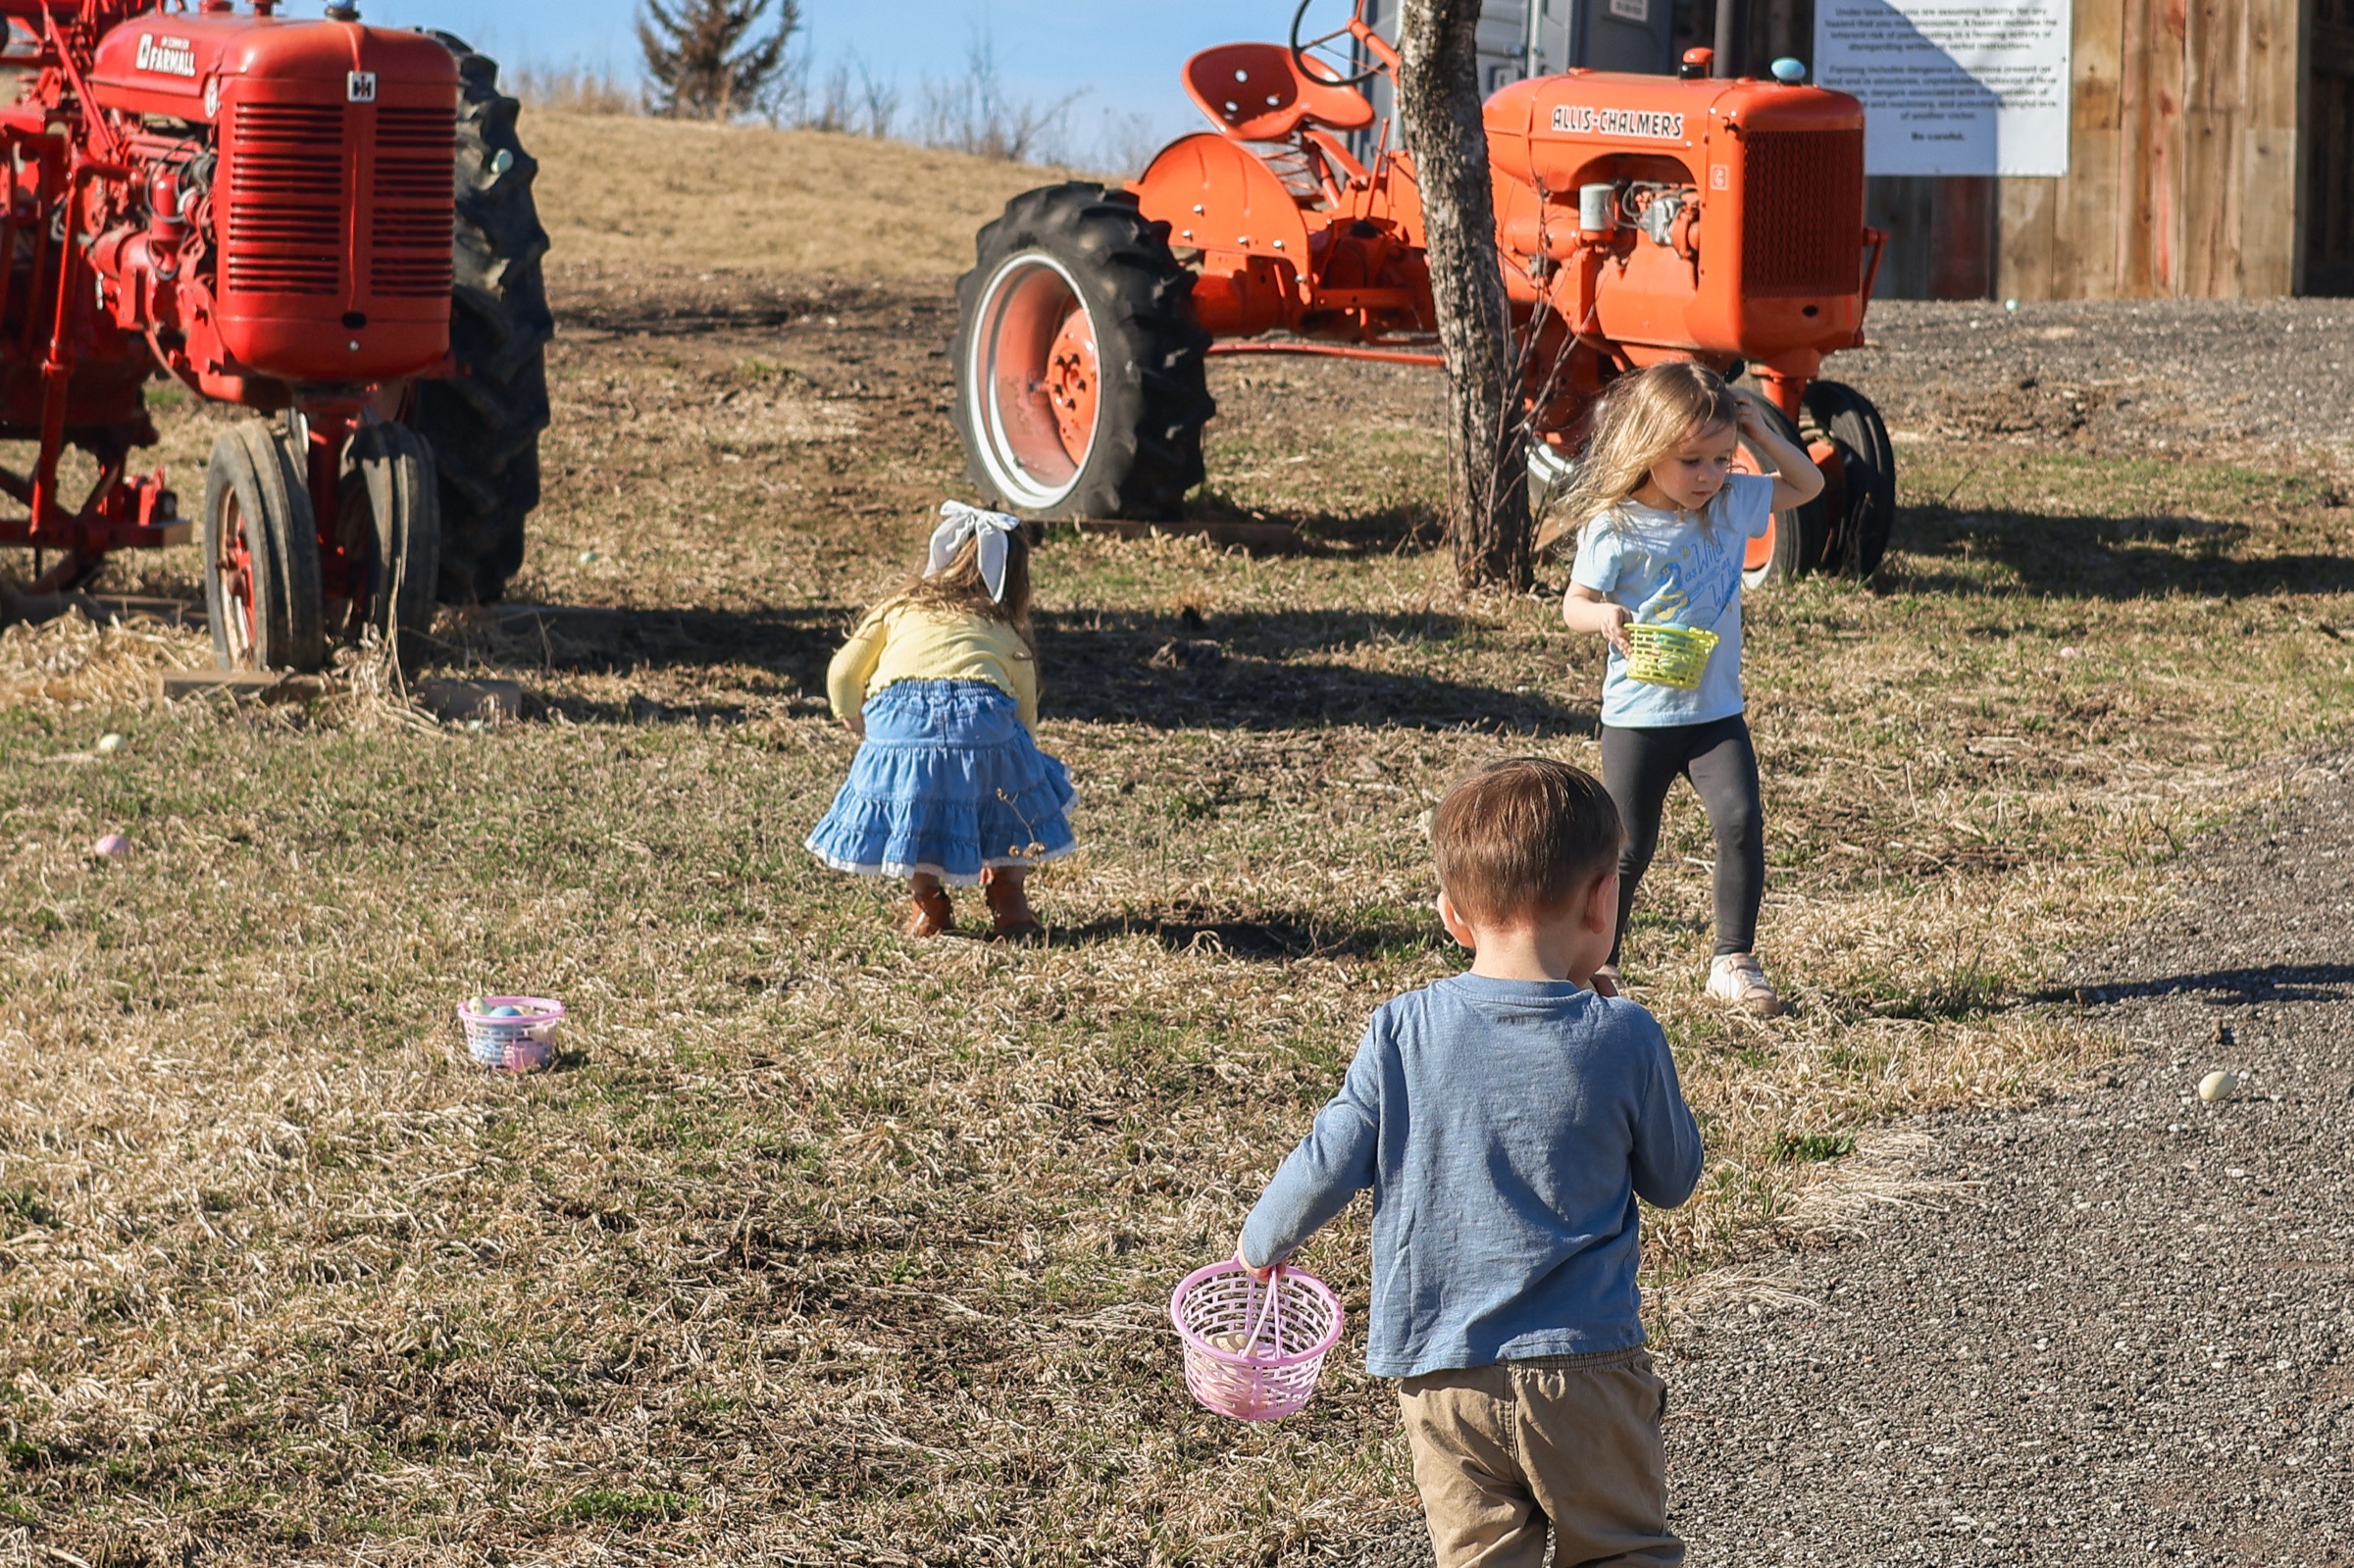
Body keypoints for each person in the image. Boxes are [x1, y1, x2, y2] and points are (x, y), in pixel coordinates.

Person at [1236, 757, 1703, 1568]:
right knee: (1621, 1551)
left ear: (1453, 915)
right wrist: (1625, 1024)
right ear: (1603, 899)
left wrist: (1261, 1240)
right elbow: (1673, 1178)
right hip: (1583, 1366)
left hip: (1441, 1371)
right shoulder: (1623, 1034)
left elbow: (1331, 1152)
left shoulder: (1400, 1030)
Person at [1541, 363, 1825, 1017]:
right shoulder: (1617, 526)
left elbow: (1806, 485)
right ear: (1648, 448)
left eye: (1721, 458)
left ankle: (1733, 958)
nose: (1708, 475)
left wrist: (1761, 433)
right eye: (1691, 460)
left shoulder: (1731, 502)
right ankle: (1600, 965)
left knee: (1739, 818)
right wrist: (1604, 616)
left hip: (1714, 711)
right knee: (1627, 845)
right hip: (1639, 714)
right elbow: (1573, 604)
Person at [806, 501, 1076, 938]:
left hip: (902, 724)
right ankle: (1010, 899)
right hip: (985, 720)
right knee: (1011, 791)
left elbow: (842, 672)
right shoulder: (1003, 628)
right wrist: (1016, 758)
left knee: (916, 803)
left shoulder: (899, 609)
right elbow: (1026, 712)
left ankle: (927, 905)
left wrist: (853, 717)